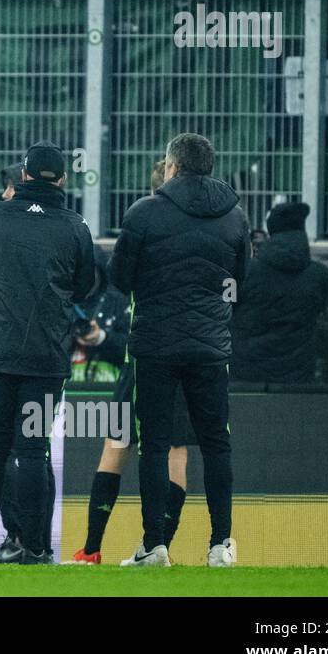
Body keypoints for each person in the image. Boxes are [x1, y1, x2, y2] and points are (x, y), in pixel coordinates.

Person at [110, 133, 249, 568]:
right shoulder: (234, 217)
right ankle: (220, 545)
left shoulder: (144, 213)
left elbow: (119, 277)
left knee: (154, 444)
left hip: (155, 345)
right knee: (216, 445)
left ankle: (154, 546)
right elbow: (242, 276)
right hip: (210, 347)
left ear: (171, 167)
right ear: (209, 167)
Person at [0, 142, 95, 565]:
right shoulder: (76, 225)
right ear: (63, 179)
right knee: (35, 451)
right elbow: (85, 284)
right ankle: (36, 548)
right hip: (47, 356)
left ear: (23, 175)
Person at [70, 161, 193, 565]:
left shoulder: (143, 226)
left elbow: (119, 277)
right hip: (192, 357)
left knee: (116, 448)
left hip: (143, 357)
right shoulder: (206, 229)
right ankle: (157, 549)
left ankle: (91, 550)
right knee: (176, 454)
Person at [231, 202, 328, 383]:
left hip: (247, 375)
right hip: (298, 375)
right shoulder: (319, 274)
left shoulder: (245, 271)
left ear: (271, 231)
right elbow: (321, 312)